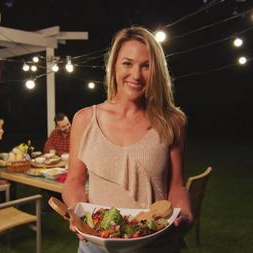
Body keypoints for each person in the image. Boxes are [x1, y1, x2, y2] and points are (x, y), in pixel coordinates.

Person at [62, 27, 192, 253]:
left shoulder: (173, 121)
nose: (136, 75)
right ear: (113, 66)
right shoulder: (84, 120)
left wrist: (184, 211)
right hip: (97, 245)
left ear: (157, 71)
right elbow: (74, 181)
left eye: (146, 65)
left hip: (157, 245)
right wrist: (76, 211)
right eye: (127, 63)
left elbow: (176, 185)